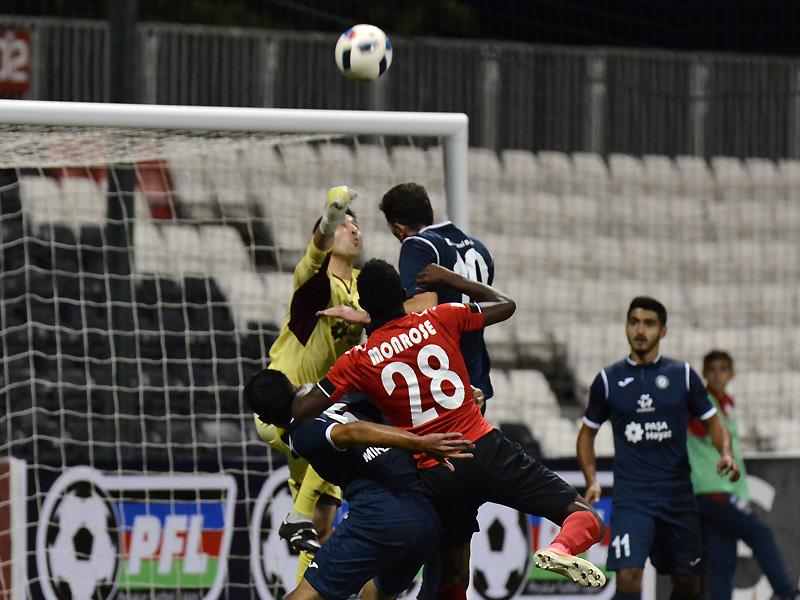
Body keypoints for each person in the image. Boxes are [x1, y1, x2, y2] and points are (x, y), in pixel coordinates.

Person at [293, 259, 608, 596]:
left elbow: (303, 409)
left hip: (439, 469)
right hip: (485, 448)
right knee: (585, 516)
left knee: (453, 571)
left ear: (364, 305)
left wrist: (299, 388)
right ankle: (560, 548)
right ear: (403, 294)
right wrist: (450, 279)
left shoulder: (358, 360)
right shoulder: (440, 317)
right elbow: (505, 305)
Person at [243, 367, 475, 600]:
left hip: (377, 517)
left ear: (264, 420)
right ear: (293, 385)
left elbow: (350, 432)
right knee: (380, 592)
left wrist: (420, 443)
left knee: (307, 594)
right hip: (425, 517)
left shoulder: (302, 435)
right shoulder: (340, 393)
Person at [576, 297, 741, 600]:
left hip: (678, 497)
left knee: (688, 584)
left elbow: (714, 422)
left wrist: (726, 453)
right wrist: (592, 479)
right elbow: (587, 433)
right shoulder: (608, 380)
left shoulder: (683, 375)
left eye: (649, 324)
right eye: (634, 322)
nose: (640, 330)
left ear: (663, 331)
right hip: (632, 498)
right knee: (628, 576)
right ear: (626, 326)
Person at [253, 185, 364, 579]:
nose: (354, 229)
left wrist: (365, 318)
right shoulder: (313, 282)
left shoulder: (362, 287)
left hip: (318, 410)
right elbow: (316, 251)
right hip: (283, 406)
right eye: (345, 225)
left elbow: (394, 317)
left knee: (322, 527)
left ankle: (304, 586)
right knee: (342, 432)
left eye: (355, 224)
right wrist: (332, 213)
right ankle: (297, 514)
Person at [688, 350, 799, 600]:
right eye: (712, 370)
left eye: (723, 370)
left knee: (721, 559)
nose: (717, 376)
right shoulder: (701, 404)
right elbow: (697, 426)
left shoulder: (724, 405)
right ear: (704, 373)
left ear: (732, 374)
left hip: (721, 490)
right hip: (713, 490)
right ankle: (788, 593)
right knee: (760, 534)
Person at [379, 182, 496, 402]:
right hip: (475, 371)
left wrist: (372, 315)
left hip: (442, 375)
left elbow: (423, 305)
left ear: (398, 227)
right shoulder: (479, 248)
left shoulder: (417, 245)